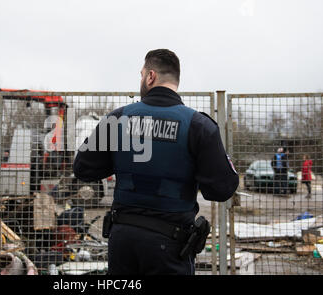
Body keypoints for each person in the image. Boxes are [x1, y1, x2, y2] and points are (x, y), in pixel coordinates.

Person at [73, 49, 239, 275]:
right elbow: (222, 189)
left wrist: (122, 156)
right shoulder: (199, 126)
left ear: (151, 76)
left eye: (141, 75)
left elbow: (83, 168)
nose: (141, 80)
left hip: (123, 242)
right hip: (171, 246)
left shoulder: (118, 117)